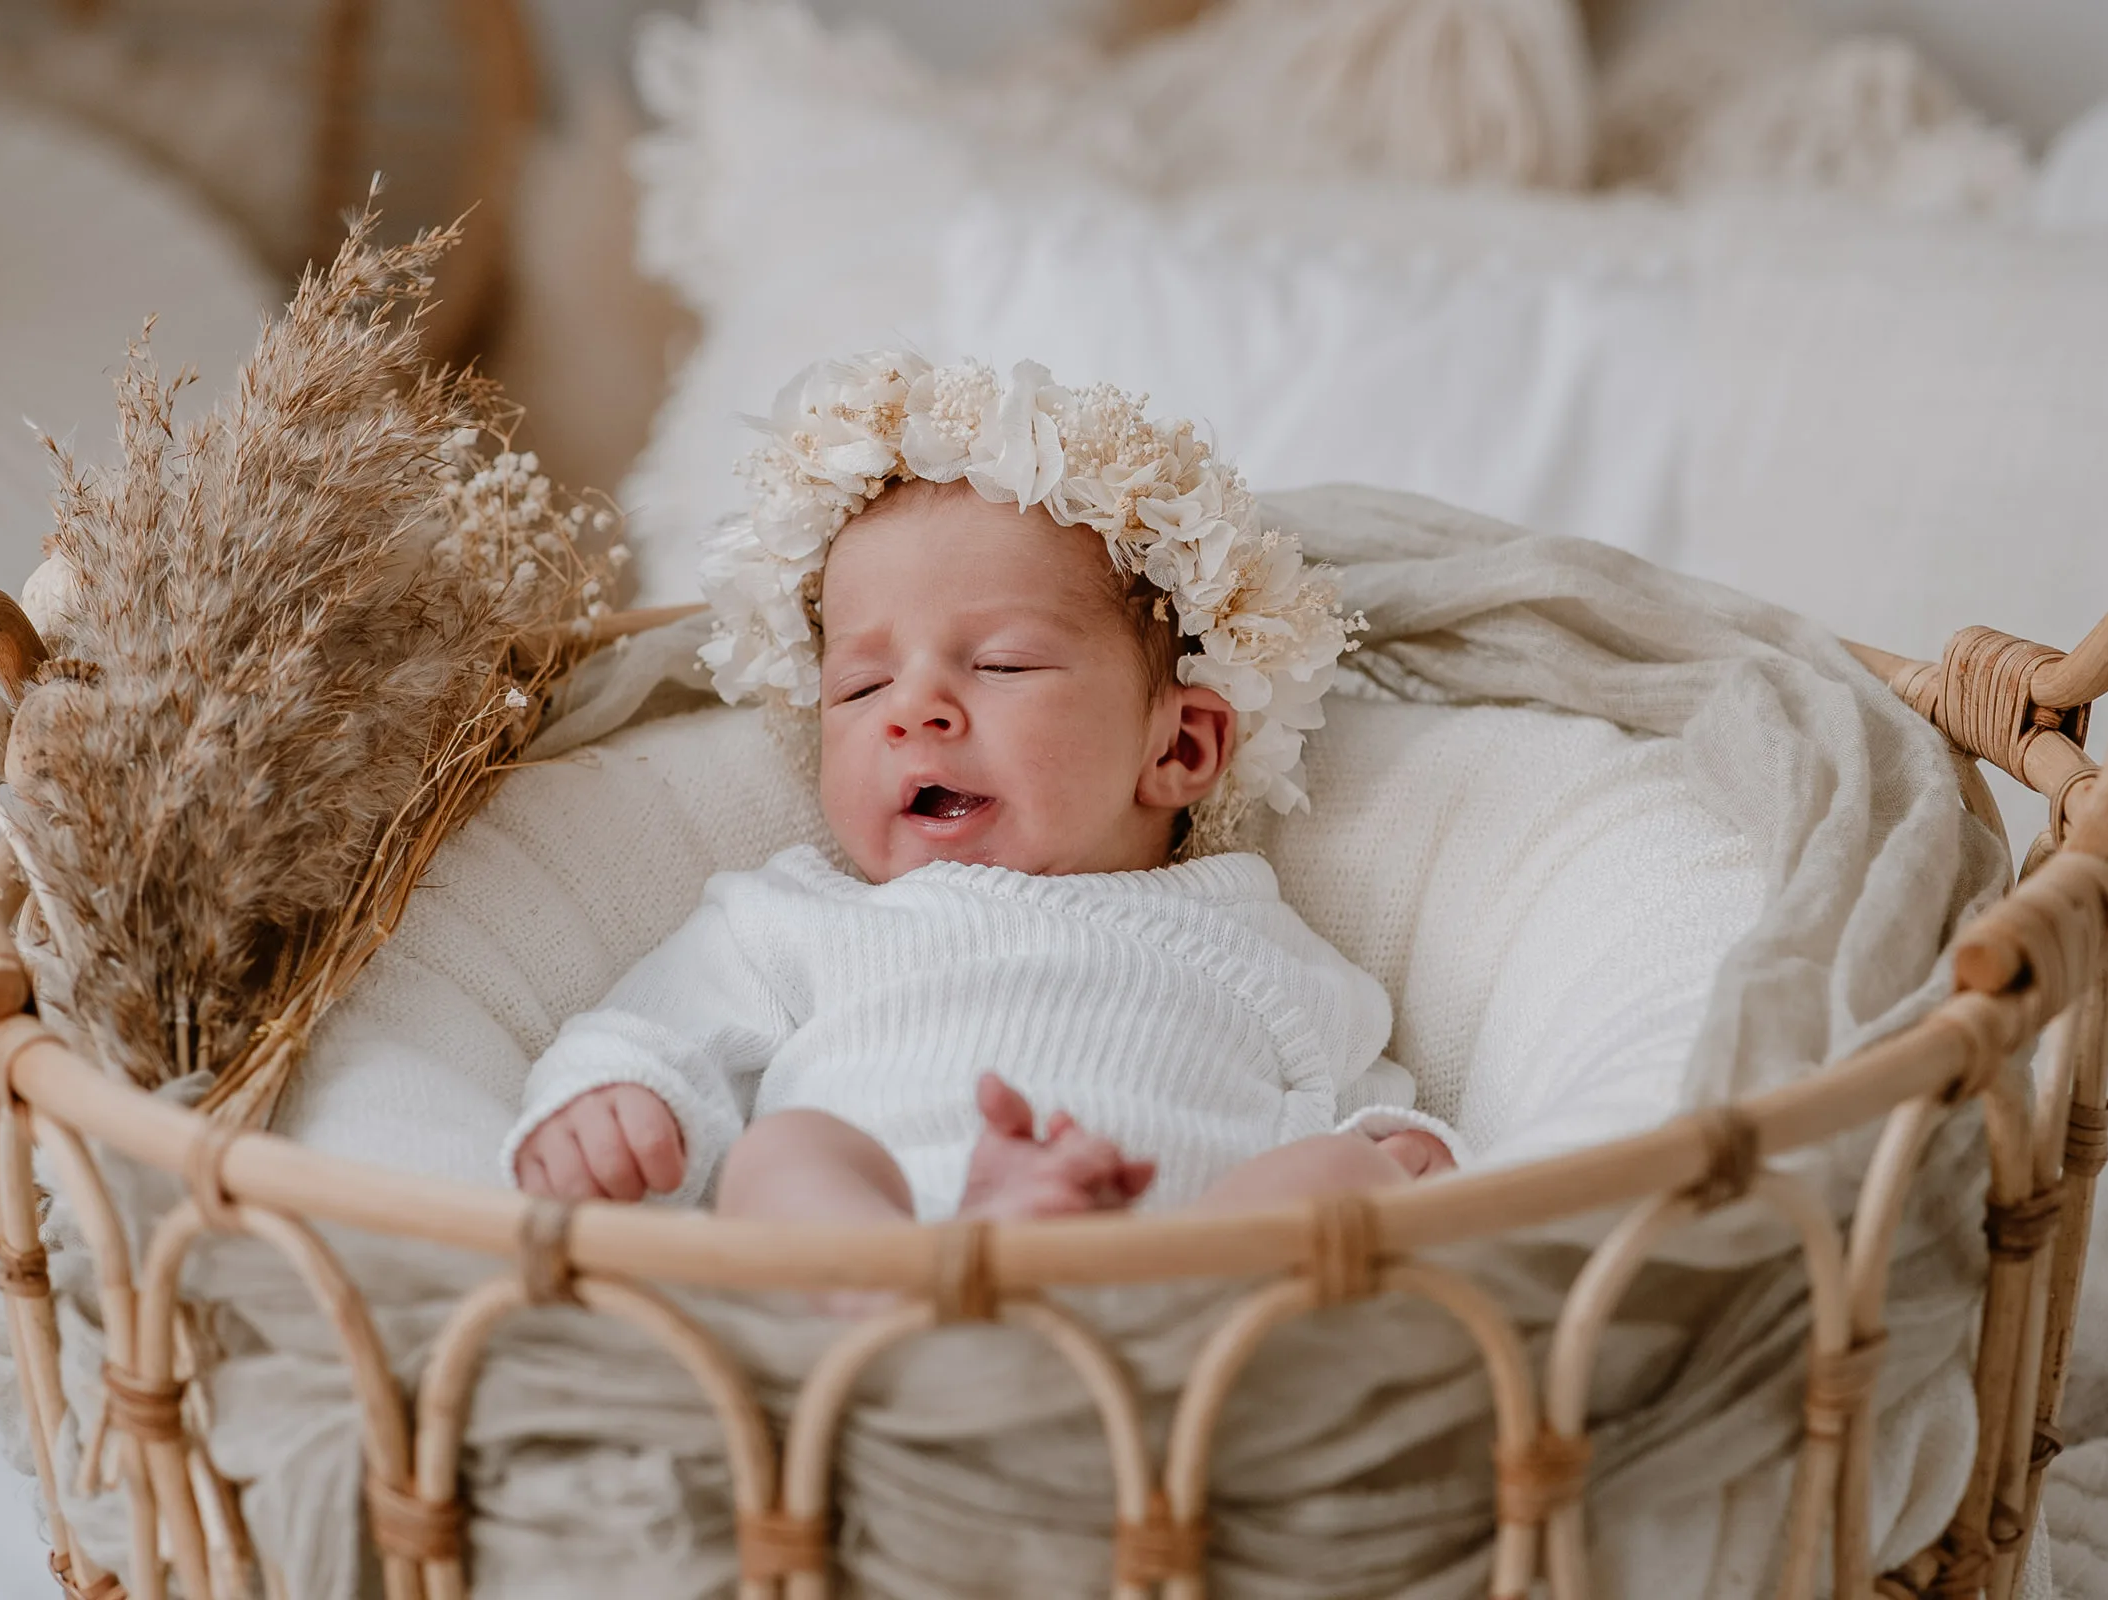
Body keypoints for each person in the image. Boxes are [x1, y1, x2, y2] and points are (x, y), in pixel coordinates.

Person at [503, 354, 1459, 1222]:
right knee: (788, 1154)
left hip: (1172, 1302)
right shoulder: (790, 924)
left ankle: (1098, 1274)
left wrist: (1399, 1149)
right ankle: (896, 1291)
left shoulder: (1257, 942)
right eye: (861, 686)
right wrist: (612, 1101)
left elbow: (1367, 1097)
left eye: (1001, 667)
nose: (913, 712)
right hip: (883, 1279)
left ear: (1181, 748)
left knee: (1346, 1177)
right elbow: (648, 1033)